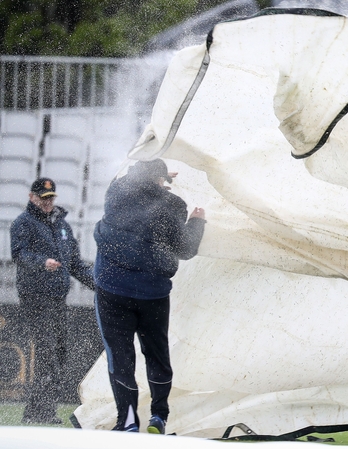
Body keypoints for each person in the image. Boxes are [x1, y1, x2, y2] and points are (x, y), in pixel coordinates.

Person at [93, 159, 206, 434]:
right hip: (152, 294)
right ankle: (159, 416)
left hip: (112, 289)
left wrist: (154, 174)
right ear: (161, 180)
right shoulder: (172, 205)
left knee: (120, 357)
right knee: (157, 354)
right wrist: (197, 222)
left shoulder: (116, 193)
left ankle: (128, 420)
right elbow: (186, 249)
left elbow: (127, 177)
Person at [10, 177, 96, 425]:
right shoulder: (23, 223)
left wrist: (99, 287)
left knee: (58, 352)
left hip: (58, 298)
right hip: (36, 297)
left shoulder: (62, 225)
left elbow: (75, 264)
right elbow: (19, 254)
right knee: (46, 351)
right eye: (42, 198)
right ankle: (38, 411)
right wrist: (42, 263)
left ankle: (42, 409)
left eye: (50, 199)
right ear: (32, 197)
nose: (47, 203)